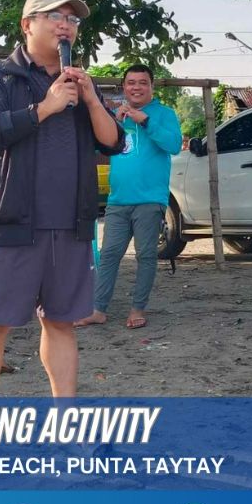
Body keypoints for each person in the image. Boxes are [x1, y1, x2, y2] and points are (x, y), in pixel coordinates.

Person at [0, 0, 124, 398]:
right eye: (55, 16)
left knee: (61, 322)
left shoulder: (79, 81)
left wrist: (89, 99)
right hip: (12, 222)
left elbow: (113, 142)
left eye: (71, 19)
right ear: (27, 24)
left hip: (71, 224)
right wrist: (45, 108)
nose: (65, 25)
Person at [75, 65, 182, 330]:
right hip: (118, 199)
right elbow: (100, 144)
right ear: (124, 87)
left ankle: (137, 309)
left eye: (142, 83)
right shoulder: (113, 116)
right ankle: (98, 309)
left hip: (150, 199)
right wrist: (116, 120)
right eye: (131, 83)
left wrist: (144, 120)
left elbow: (174, 145)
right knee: (109, 254)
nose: (136, 87)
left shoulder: (164, 114)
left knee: (146, 255)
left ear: (151, 86)